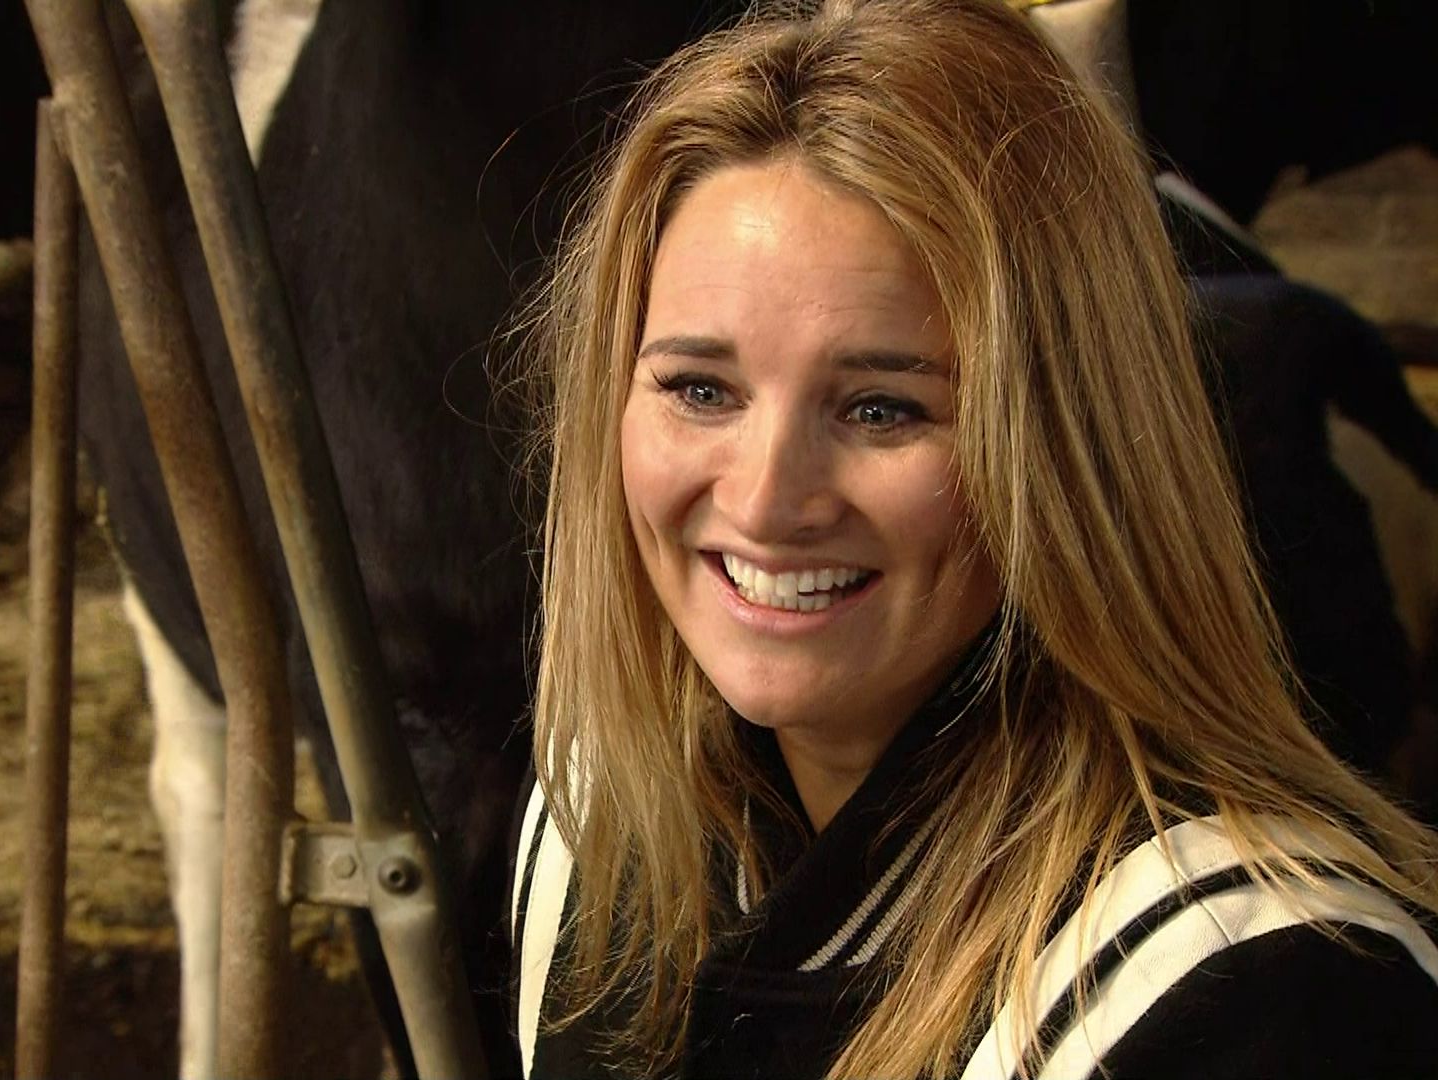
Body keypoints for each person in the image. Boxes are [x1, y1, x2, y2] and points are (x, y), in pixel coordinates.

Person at [507, 1, 1438, 1077]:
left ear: (1065, 451)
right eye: (701, 389)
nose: (764, 502)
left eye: (882, 409)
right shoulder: (593, 825)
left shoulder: (1261, 999)